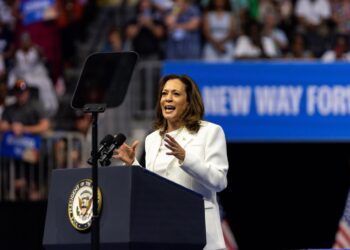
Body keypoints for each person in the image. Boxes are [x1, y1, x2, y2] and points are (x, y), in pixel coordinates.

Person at [113, 74, 229, 250]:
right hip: (164, 232)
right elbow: (153, 186)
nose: (168, 98)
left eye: (175, 94)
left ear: (189, 101)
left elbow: (219, 181)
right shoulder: (152, 139)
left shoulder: (210, 132)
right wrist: (133, 166)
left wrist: (186, 157)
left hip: (200, 233)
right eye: (164, 93)